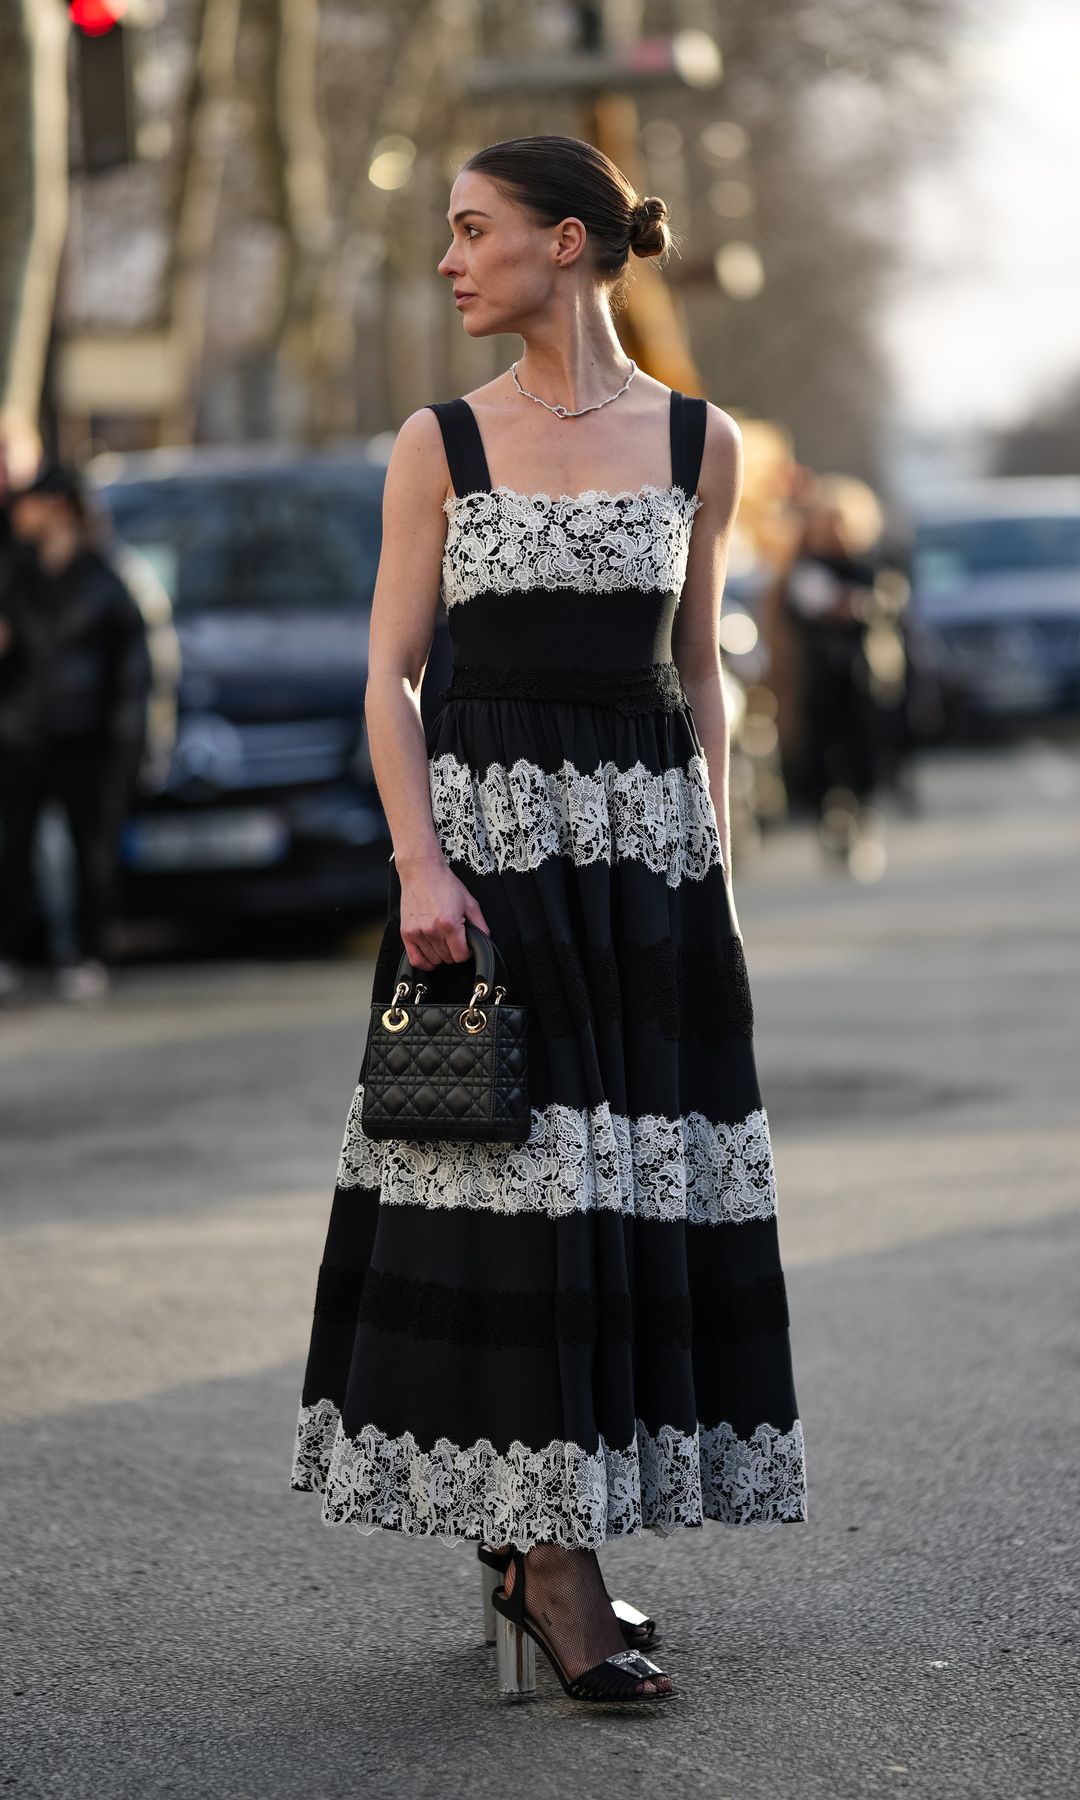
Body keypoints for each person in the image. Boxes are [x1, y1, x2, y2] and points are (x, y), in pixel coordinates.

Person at [291, 135, 807, 1705]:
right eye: (447, 233)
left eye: (473, 229)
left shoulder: (699, 442)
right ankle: (556, 1575)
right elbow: (387, 676)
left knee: (625, 1201)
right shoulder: (437, 442)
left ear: (565, 243)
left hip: (645, 871)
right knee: (523, 1202)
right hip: (490, 874)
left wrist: (708, 862)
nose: (450, 261)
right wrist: (418, 866)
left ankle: (546, 1538)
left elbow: (699, 666)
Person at [0, 462, 152, 1001]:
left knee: (92, 854)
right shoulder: (15, 578)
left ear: (57, 508)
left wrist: (128, 746)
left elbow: (133, 672)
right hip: (19, 738)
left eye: (31, 501)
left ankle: (91, 954)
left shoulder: (104, 583)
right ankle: (17, 952)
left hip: (84, 740)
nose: (19, 512)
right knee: (11, 848)